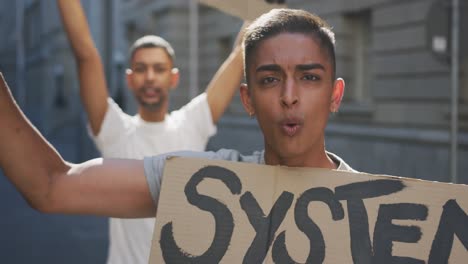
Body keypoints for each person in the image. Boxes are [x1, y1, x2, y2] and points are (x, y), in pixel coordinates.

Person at [0, 7, 354, 259]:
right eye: (269, 79)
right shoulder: (204, 180)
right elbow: (49, 184)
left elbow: (236, 57)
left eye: (309, 77)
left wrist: (259, 11)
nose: (289, 96)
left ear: (335, 95)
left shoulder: (383, 213)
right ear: (247, 98)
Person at [56, 1, 244, 263]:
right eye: (142, 69)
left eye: (159, 69)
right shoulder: (116, 131)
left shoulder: (192, 123)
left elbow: (239, 55)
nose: (151, 77)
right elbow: (85, 54)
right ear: (130, 79)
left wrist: (260, 9)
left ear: (173, 78)